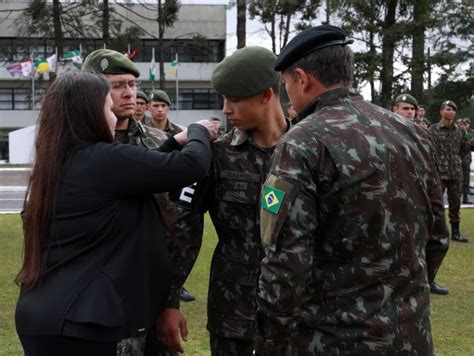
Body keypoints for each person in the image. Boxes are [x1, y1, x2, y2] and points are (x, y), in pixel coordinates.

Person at [256, 25, 449, 355]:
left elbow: (285, 269)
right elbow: (437, 237)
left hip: (333, 342)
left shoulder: (302, 142)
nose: (288, 94)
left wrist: (269, 344)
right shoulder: (413, 134)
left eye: (286, 84)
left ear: (302, 79)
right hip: (410, 339)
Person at [14, 71, 216, 356]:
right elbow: (190, 166)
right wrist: (198, 131)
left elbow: (140, 173)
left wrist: (172, 143)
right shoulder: (103, 159)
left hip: (41, 317)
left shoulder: (56, 163)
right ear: (90, 114)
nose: (113, 117)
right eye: (108, 109)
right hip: (86, 323)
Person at [81, 49, 205, 355]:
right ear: (93, 91)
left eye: (132, 85)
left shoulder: (157, 143)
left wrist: (171, 300)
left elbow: (183, 225)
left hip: (151, 299)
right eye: (118, 86)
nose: (129, 94)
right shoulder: (74, 148)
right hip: (90, 304)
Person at [168, 46, 289, 355]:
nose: (225, 109)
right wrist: (168, 301)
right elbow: (182, 232)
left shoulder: (306, 151)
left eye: (234, 99)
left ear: (265, 95)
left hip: (297, 313)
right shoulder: (217, 155)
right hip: (233, 312)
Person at [429, 101, 470, 243]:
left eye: (453, 110)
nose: (451, 112)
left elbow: (465, 149)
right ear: (441, 112)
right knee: (435, 203)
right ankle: (434, 232)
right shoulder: (432, 130)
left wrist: (458, 163)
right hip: (439, 173)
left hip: (455, 173)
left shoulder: (460, 131)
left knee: (455, 204)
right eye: (448, 109)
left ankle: (456, 232)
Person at [460, 118, 474, 204]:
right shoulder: (455, 134)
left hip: (466, 160)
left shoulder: (468, 134)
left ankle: (465, 198)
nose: (462, 126)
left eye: (463, 124)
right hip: (455, 161)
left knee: (466, 179)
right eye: (460, 124)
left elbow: (471, 144)